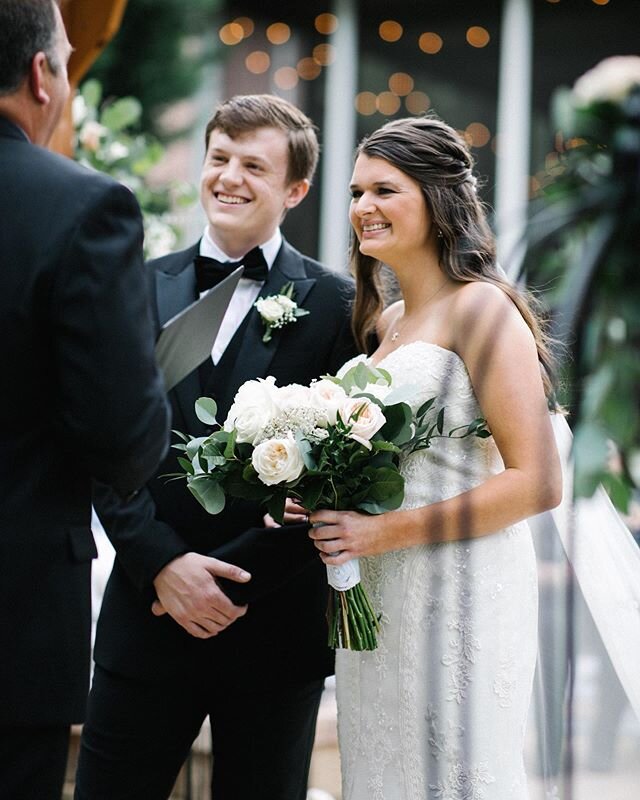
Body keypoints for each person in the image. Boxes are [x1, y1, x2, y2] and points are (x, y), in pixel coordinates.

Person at [75, 94, 358, 800]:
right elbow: (95, 439)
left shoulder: (336, 305)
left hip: (273, 631)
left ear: (294, 190)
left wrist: (230, 579)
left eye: (253, 166)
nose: (229, 177)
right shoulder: (133, 286)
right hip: (147, 614)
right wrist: (163, 564)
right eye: (219, 158)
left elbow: (343, 473)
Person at [308, 115, 563, 799]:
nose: (363, 207)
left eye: (385, 190)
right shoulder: (385, 325)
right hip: (377, 600)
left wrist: (378, 531)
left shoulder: (482, 311)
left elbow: (537, 482)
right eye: (357, 192)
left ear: (437, 198)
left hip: (459, 597)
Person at [0, 0, 171, 797]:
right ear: (41, 75)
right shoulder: (80, 207)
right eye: (68, 62)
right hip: (14, 617)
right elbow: (122, 437)